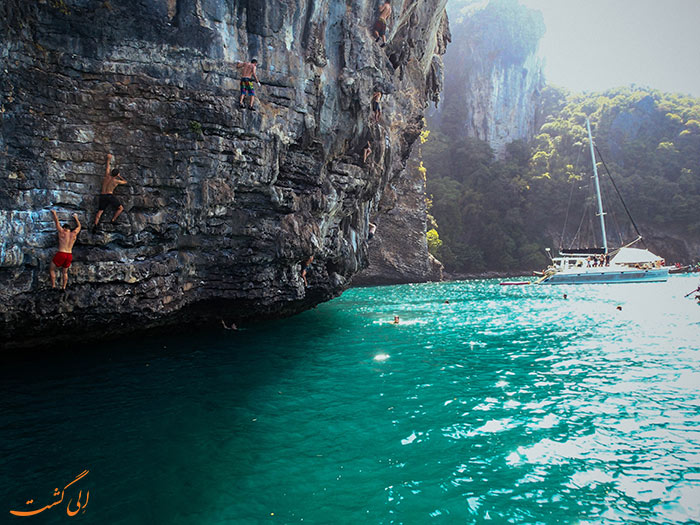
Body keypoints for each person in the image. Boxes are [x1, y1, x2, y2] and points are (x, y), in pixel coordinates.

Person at [93, 153, 127, 230]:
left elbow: (107, 167)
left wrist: (108, 159)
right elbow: (125, 182)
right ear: (116, 174)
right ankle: (113, 220)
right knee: (120, 208)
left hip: (102, 196)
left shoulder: (106, 176)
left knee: (100, 212)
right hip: (109, 196)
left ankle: (95, 225)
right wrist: (119, 176)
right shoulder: (116, 181)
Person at [49, 210, 81, 290]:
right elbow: (79, 227)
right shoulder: (74, 234)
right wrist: (76, 218)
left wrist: (54, 213)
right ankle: (63, 287)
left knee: (51, 269)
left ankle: (53, 286)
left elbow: (57, 222)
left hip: (61, 253)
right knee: (65, 272)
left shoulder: (62, 232)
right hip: (69, 255)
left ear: (64, 228)